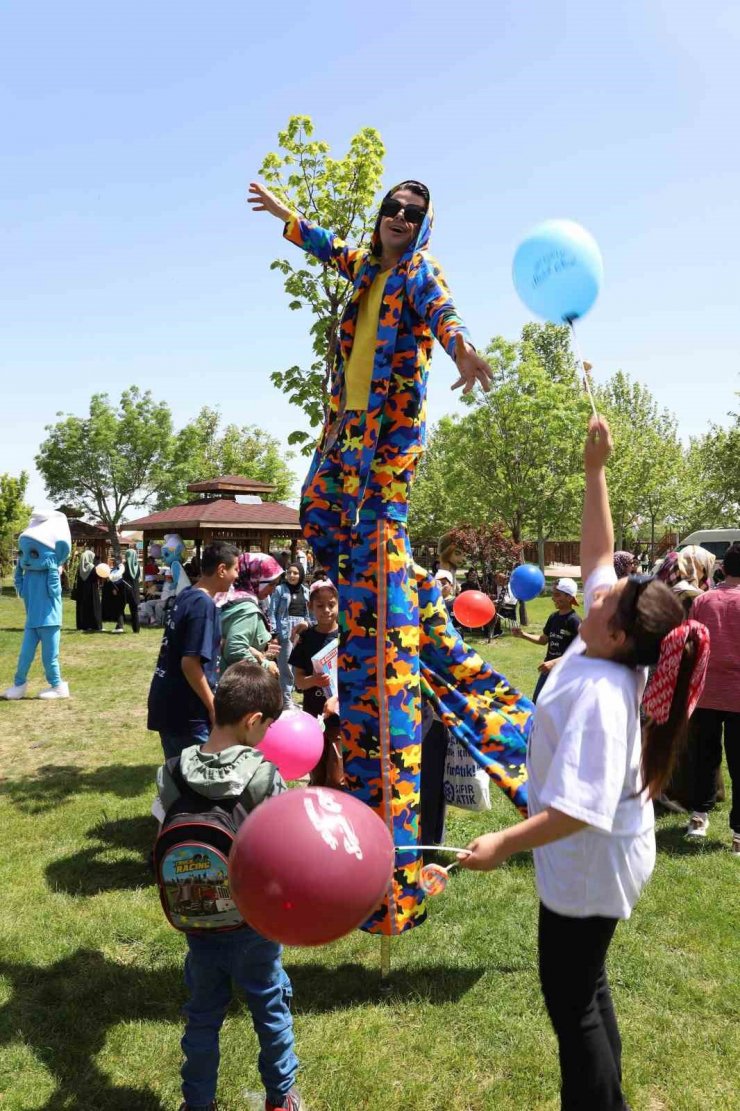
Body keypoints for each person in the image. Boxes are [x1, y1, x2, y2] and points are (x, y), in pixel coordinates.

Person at [250, 176, 534, 937]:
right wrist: (288, 220)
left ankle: (386, 585)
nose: (398, 221)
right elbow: (332, 251)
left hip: (386, 448)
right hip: (345, 437)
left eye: (412, 214)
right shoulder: (370, 269)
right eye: (391, 209)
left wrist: (465, 352)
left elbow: (443, 313)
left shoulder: (417, 275)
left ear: (424, 226)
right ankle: (381, 586)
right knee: (316, 512)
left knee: (377, 558)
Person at [461, 416, 710, 1111]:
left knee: (575, 1007)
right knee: (587, 989)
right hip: (593, 858)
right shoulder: (606, 642)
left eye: (612, 594)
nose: (599, 586)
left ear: (621, 632)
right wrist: (593, 469)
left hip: (591, 860)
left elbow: (579, 810)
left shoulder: (605, 689)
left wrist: (501, 844)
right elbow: (602, 552)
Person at [156, 661, 303, 1111]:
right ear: (252, 720)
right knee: (270, 1010)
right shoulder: (262, 774)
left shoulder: (171, 771)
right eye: (268, 726)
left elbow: (162, 834)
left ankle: (196, 1103)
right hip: (252, 921)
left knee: (201, 1016)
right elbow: (281, 850)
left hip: (195, 919)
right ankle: (280, 1099)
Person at [147, 542, 239, 760]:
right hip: (186, 710)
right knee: (197, 780)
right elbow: (189, 663)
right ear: (221, 570)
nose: (237, 576)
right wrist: (213, 706)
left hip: (167, 702)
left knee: (178, 779)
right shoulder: (203, 605)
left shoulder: (188, 594)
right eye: (235, 569)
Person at [684, 540, 740, 854]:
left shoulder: (703, 601)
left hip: (705, 691)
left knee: (705, 757)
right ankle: (738, 836)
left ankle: (698, 818)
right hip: (736, 693)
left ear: (722, 567)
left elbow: (688, 643)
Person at [289, 579, 343, 787]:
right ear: (310, 607)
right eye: (320, 606)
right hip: (314, 717)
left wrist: (336, 698)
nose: (326, 610)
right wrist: (314, 680)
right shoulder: (306, 639)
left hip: (339, 719)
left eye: (331, 604)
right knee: (317, 775)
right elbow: (299, 682)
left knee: (337, 777)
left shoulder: (345, 637)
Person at [513, 577, 581, 703]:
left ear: (569, 597)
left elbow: (582, 649)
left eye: (557, 595)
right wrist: (523, 634)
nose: (553, 598)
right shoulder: (553, 617)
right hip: (548, 669)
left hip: (565, 672)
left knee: (558, 708)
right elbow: (543, 639)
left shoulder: (574, 621)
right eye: (553, 594)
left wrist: (555, 662)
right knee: (537, 702)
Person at [219, 552, 283, 678]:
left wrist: (259, 653)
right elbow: (235, 650)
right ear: (256, 578)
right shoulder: (247, 609)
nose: (273, 590)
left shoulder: (228, 596)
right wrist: (264, 666)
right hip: (237, 683)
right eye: (270, 584)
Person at [271, 563, 310, 710]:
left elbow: (309, 614)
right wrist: (274, 632)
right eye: (289, 573)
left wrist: (309, 626)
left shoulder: (306, 591)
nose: (292, 576)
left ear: (301, 575)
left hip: (301, 631)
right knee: (286, 666)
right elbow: (272, 611)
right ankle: (286, 701)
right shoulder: (279, 590)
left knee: (298, 665)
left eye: (295, 573)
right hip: (285, 630)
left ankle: (291, 698)